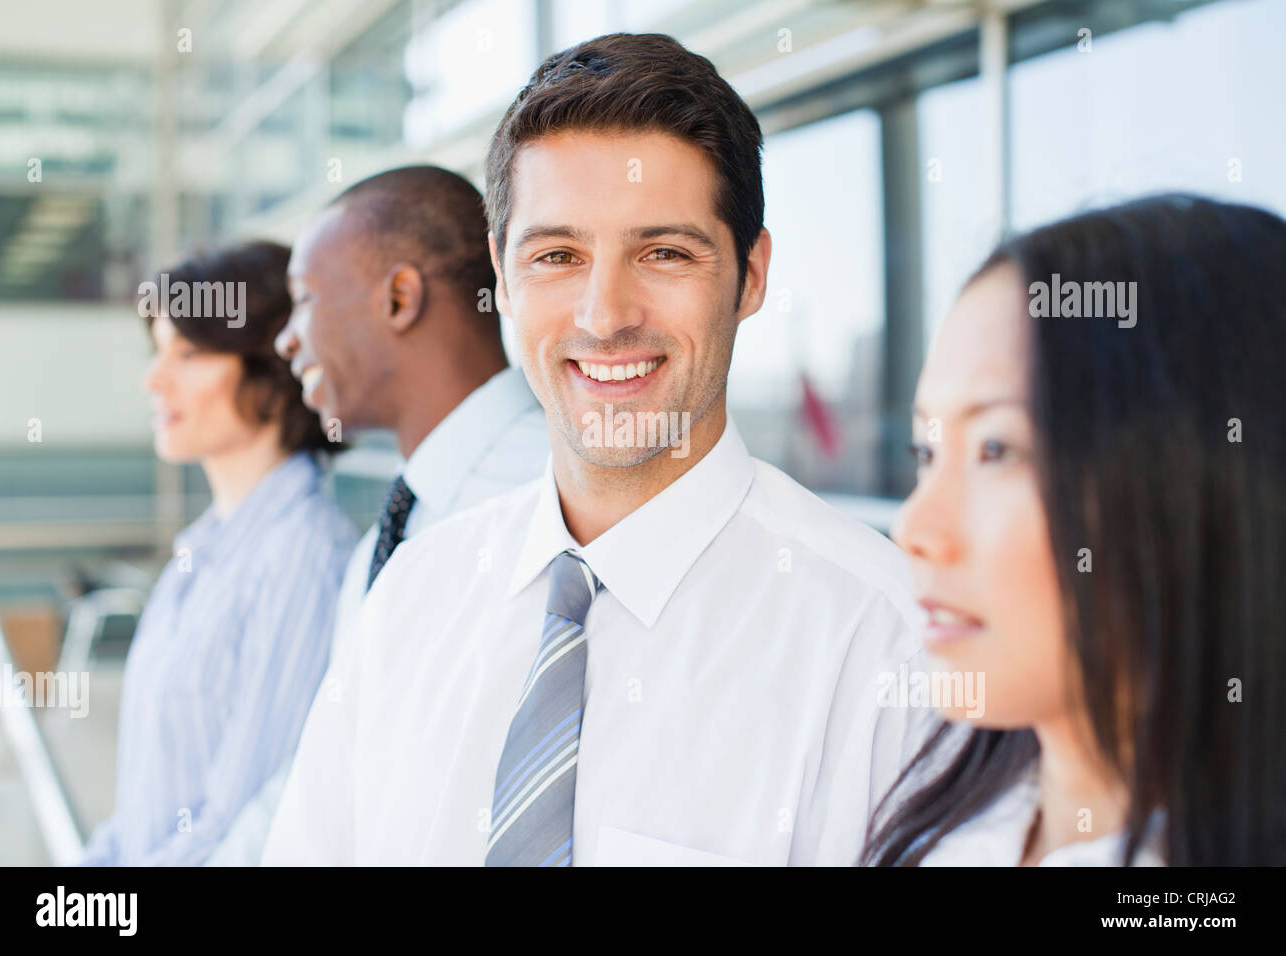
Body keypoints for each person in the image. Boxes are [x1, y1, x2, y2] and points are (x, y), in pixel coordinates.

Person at [262, 32, 920, 867]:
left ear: (751, 276)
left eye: (664, 252)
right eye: (558, 256)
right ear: (503, 277)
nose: (604, 315)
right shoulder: (409, 603)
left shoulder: (883, 644)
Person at [861, 195, 1286, 866]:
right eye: (926, 452)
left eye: (995, 450)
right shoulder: (936, 797)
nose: (914, 527)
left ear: (1196, 481)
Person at [206, 166, 548, 865]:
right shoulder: (381, 548)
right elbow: (330, 775)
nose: (285, 341)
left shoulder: (563, 497)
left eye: (304, 302)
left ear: (400, 298)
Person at [82, 241, 358, 866]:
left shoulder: (304, 557)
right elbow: (147, 806)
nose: (154, 379)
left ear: (271, 365)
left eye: (191, 353)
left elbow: (240, 827)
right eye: (157, 352)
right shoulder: (204, 551)